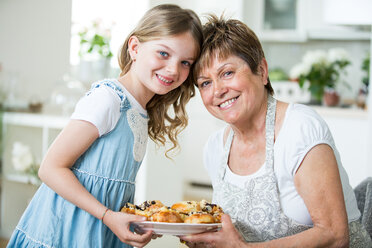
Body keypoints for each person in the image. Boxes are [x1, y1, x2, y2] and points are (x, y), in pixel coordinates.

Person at [7, 4, 202, 248]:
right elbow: (50, 168)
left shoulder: (140, 111)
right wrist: (107, 215)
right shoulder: (109, 100)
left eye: (185, 62)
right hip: (65, 231)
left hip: (102, 231)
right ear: (135, 47)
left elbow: (112, 185)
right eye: (163, 53)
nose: (174, 69)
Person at [181, 15, 372, 247]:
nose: (218, 90)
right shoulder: (215, 148)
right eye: (205, 83)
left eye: (227, 73)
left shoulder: (298, 128)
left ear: (261, 71)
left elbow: (334, 236)